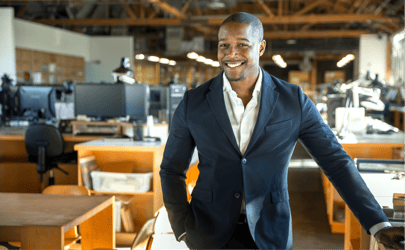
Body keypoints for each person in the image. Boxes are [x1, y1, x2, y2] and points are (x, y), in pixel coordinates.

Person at [160, 12, 404, 249]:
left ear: (261, 48)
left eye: (242, 45)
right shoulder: (195, 101)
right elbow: (172, 169)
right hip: (207, 233)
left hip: (270, 233)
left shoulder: (293, 100)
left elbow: (336, 162)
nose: (231, 53)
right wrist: (181, 226)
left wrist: (377, 222)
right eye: (224, 45)